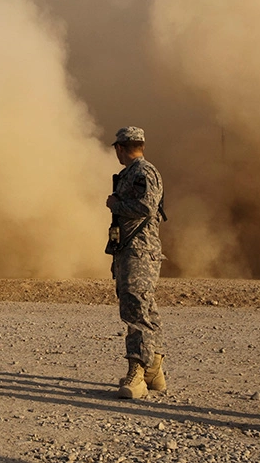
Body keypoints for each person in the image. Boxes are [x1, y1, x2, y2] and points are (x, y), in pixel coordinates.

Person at [105, 126, 167, 400]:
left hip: (140, 251)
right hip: (130, 249)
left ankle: (137, 373)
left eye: (117, 149)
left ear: (120, 148)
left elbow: (147, 207)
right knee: (146, 309)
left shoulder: (143, 172)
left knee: (135, 310)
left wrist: (115, 205)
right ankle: (154, 370)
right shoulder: (132, 173)